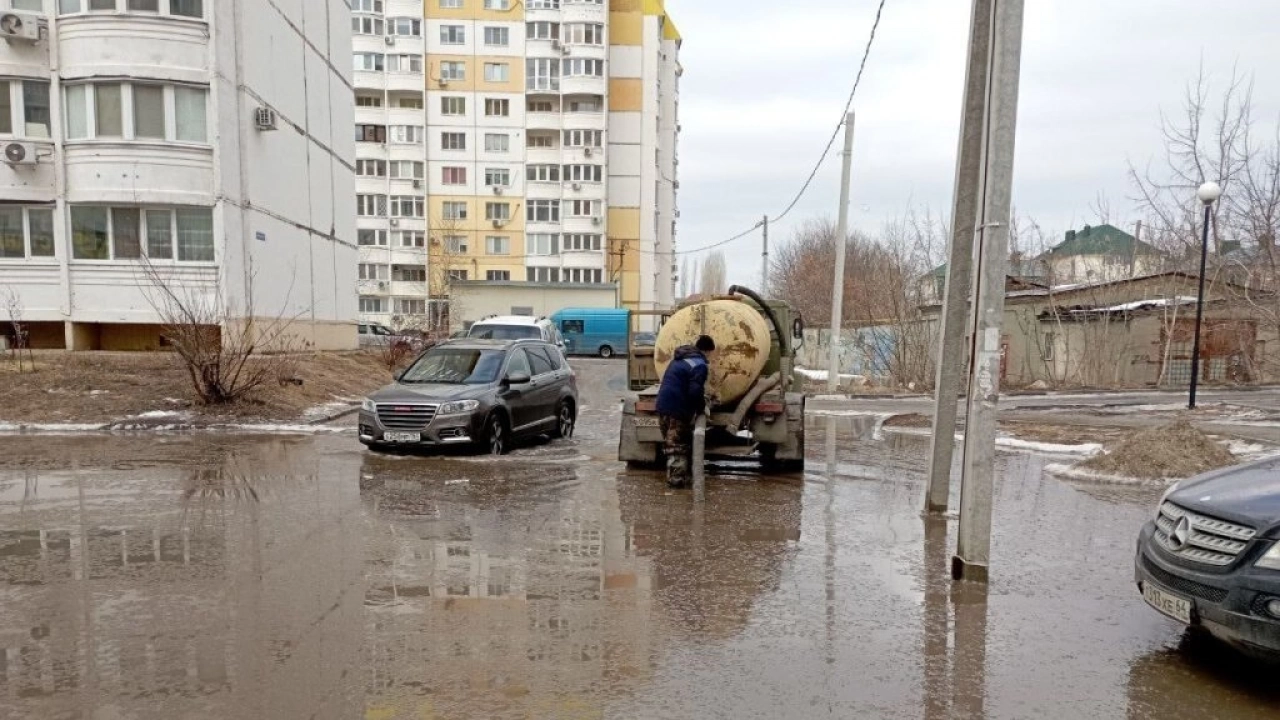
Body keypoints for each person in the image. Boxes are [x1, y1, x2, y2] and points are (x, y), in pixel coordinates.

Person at [655, 335, 716, 488]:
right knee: (678, 446)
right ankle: (676, 483)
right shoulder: (699, 365)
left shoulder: (679, 358)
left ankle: (677, 478)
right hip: (677, 409)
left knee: (671, 444)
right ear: (707, 351)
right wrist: (702, 408)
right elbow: (695, 392)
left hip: (662, 406)